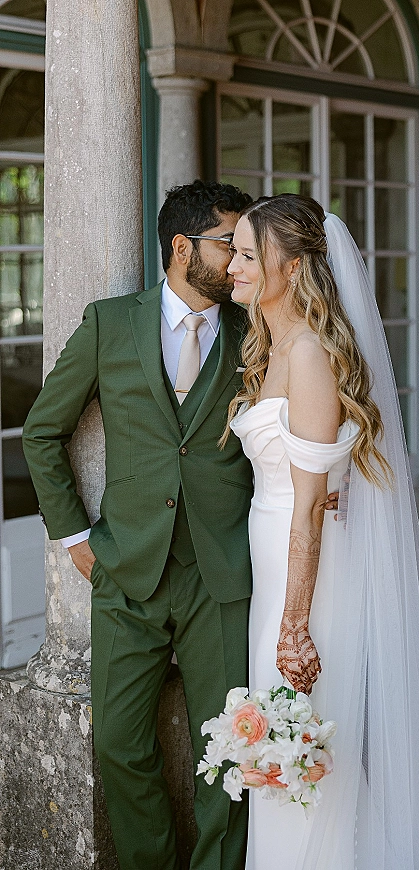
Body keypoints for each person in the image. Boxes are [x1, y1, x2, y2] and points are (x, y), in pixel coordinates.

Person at [225, 193, 419, 870]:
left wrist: (293, 624)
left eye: (245, 254)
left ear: (287, 268)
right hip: (278, 567)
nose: (231, 265)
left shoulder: (311, 355)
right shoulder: (275, 344)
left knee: (304, 733)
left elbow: (312, 504)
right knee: (289, 733)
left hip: (309, 579)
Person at [23, 181, 256, 870]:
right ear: (183, 248)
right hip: (126, 570)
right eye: (230, 246)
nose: (241, 264)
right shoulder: (110, 324)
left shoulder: (255, 329)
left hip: (223, 573)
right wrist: (73, 537)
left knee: (231, 749)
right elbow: (43, 432)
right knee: (121, 744)